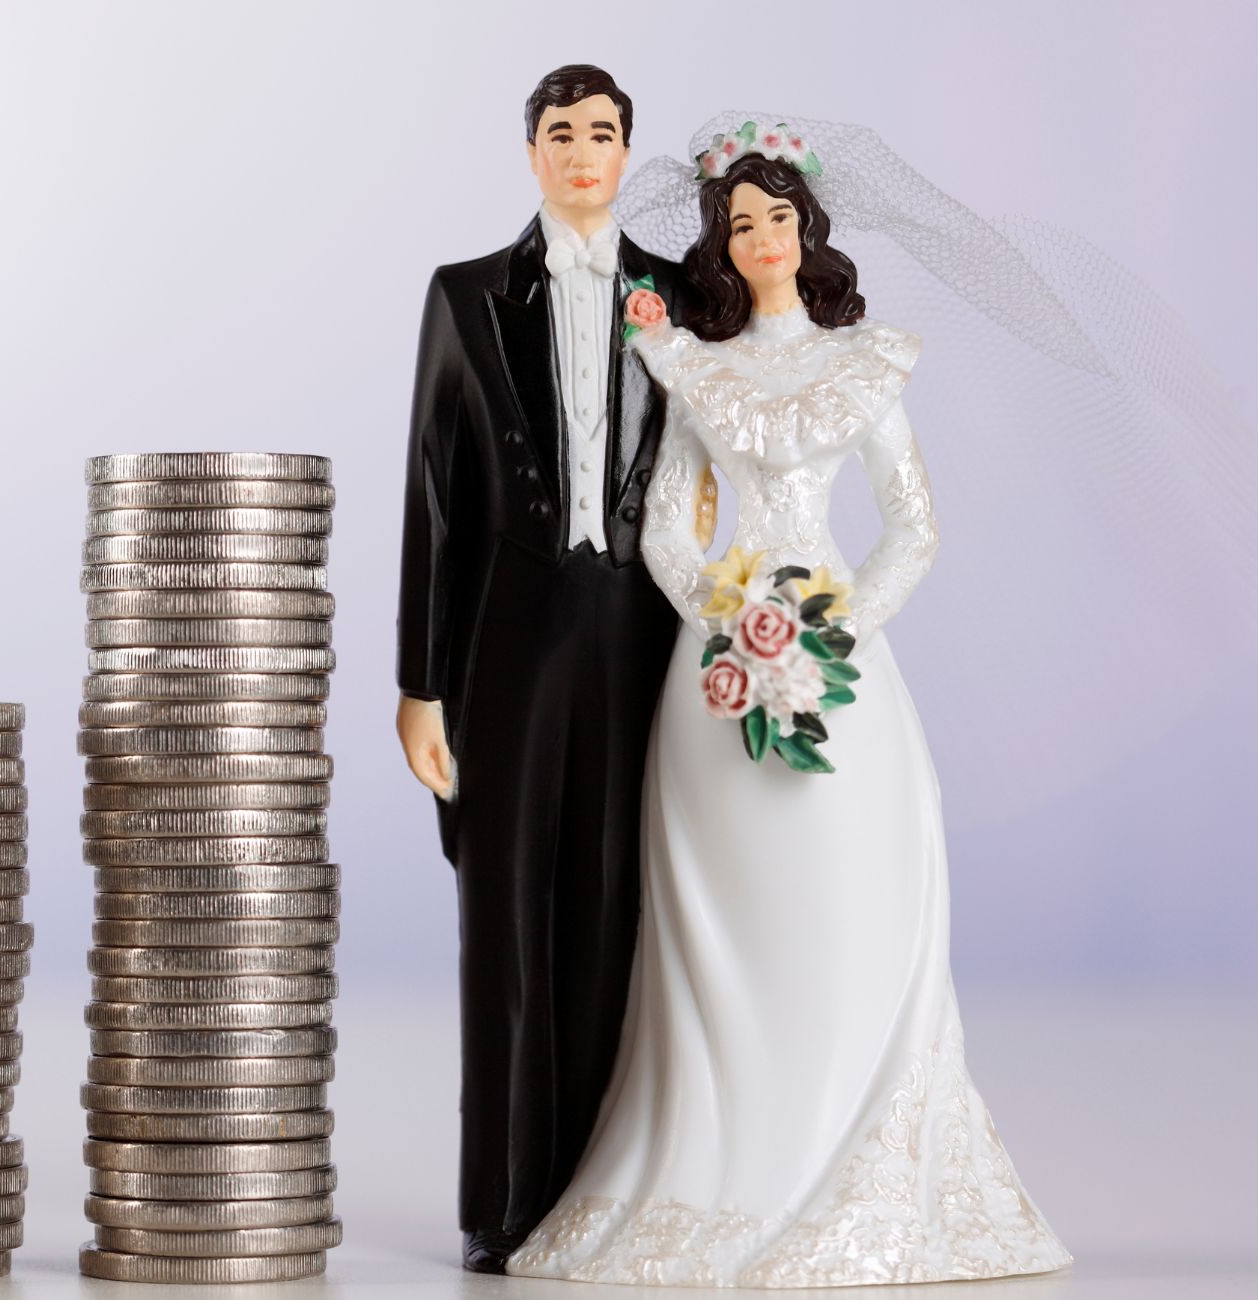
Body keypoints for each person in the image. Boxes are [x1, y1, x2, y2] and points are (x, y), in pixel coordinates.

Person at [504, 126, 1073, 1286]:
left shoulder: (866, 365)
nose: (759, 239)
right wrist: (722, 617)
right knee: (729, 915)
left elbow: (912, 526)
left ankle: (851, 1154)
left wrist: (832, 626)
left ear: (806, 234)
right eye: (738, 224)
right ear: (719, 244)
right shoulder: (695, 369)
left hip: (835, 670)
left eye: (776, 219)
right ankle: (722, 1164)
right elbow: (669, 522)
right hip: (717, 676)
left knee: (845, 895)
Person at [394, 64, 713, 1274]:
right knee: (501, 904)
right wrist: (420, 679)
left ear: (628, 153)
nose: (583, 153)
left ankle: (594, 1190)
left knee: (611, 899)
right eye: (559, 133)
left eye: (603, 133)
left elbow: (707, 457)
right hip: (509, 628)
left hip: (640, 626)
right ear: (528, 151)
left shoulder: (683, 295)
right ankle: (499, 1198)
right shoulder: (466, 296)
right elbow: (432, 491)